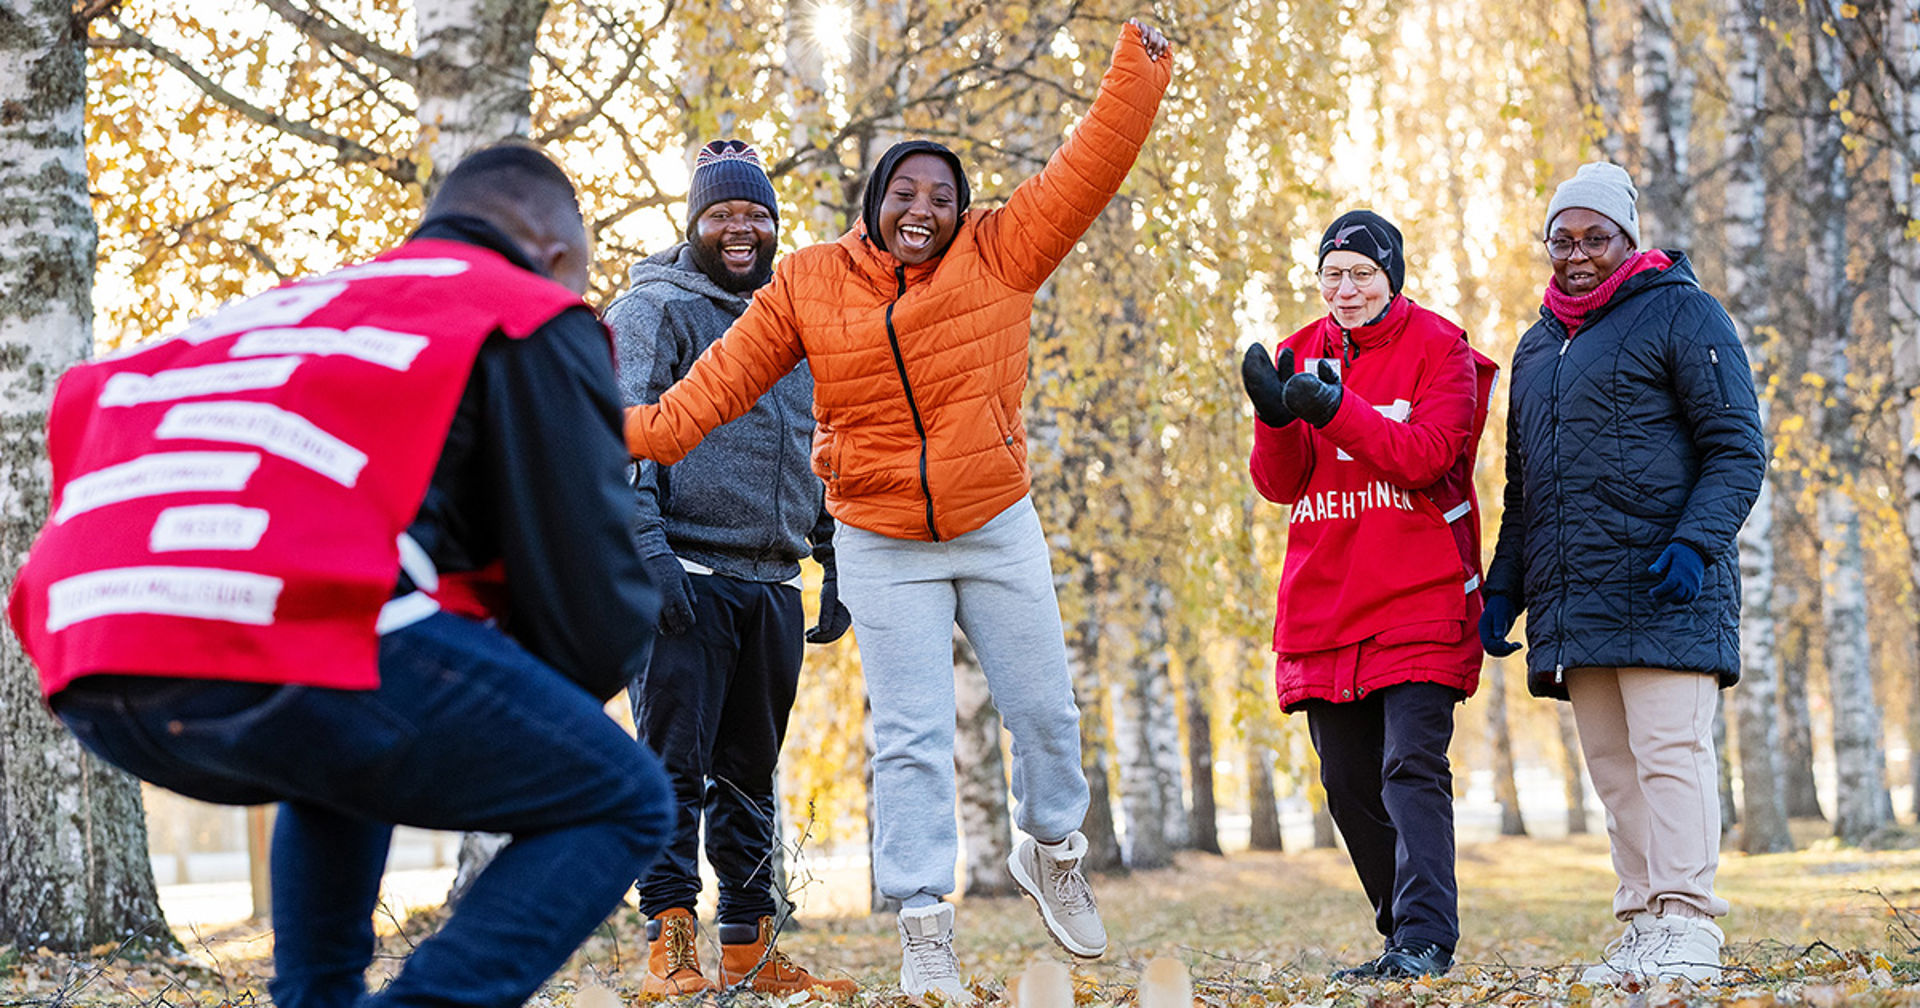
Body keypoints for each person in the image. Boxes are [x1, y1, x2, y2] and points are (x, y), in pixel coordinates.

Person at [7, 144, 672, 1008]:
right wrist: (566, 676)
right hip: (273, 629)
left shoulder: (306, 311)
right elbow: (592, 602)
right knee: (623, 798)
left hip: (89, 643)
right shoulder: (523, 309)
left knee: (345, 744)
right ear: (553, 257)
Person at [623, 19, 1171, 1004]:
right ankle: (924, 926)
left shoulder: (1004, 251)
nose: (924, 208)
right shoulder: (807, 282)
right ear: (874, 204)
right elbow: (721, 385)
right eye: (904, 193)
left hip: (995, 518)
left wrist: (1142, 63)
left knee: (1047, 712)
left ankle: (1053, 851)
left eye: (942, 196)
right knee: (909, 739)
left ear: (963, 210)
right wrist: (636, 435)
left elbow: (1091, 164)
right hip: (880, 536)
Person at [1479, 161, 1766, 984]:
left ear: (1627, 239)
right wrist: (1507, 586)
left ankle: (1689, 921)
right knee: (1612, 766)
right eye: (1561, 240)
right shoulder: (1536, 348)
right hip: (1577, 598)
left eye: (1594, 238)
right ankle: (1642, 920)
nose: (1577, 254)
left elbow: (1736, 449)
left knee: (1670, 751)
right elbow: (1525, 490)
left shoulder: (1683, 311)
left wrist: (1695, 543)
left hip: (1667, 581)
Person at [603, 138, 855, 999]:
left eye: (756, 215)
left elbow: (815, 438)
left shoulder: (793, 318)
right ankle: (668, 944)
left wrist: (833, 552)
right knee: (672, 765)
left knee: (752, 771)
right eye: (723, 215)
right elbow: (618, 436)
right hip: (682, 572)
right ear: (694, 224)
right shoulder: (652, 310)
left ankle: (749, 946)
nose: (740, 230)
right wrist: (648, 551)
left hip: (772, 579)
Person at [1239, 210, 1495, 981]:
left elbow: (1428, 456)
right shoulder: (1299, 350)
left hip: (1418, 593)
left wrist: (1334, 410)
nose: (1344, 291)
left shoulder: (1440, 348)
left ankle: (1426, 939)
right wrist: (1274, 417)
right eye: (1332, 276)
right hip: (1327, 604)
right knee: (1348, 786)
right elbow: (1279, 484)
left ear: (1392, 278)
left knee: (1409, 766)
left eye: (1361, 275)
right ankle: (1399, 936)